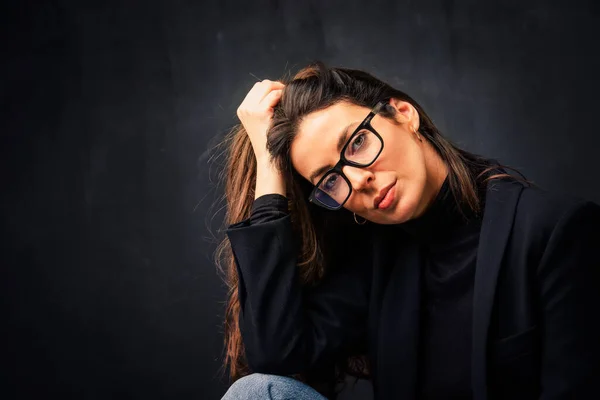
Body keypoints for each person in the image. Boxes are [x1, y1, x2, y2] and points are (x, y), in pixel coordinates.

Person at [215, 62, 600, 399]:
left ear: (403, 114)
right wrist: (268, 165)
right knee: (256, 393)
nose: (358, 179)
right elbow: (276, 351)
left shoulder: (553, 231)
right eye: (330, 180)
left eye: (358, 141)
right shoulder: (377, 259)